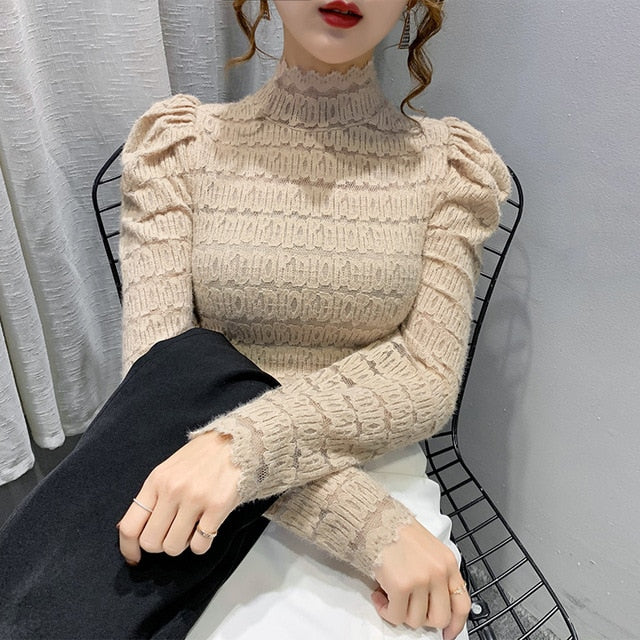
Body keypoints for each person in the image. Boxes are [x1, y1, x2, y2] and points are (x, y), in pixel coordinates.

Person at [0, 1, 510, 639]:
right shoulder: (180, 148)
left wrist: (241, 450)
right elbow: (161, 378)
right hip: (188, 470)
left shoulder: (449, 166)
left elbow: (427, 376)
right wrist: (368, 526)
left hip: (370, 460)